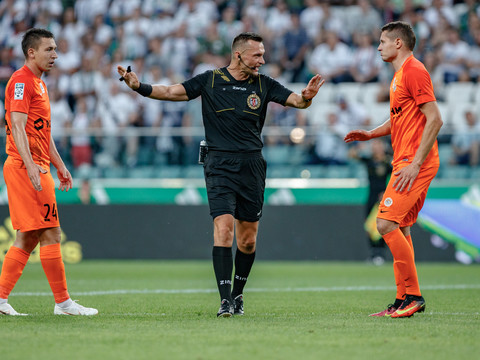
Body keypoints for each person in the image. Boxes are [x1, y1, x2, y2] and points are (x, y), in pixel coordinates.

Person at [118, 32, 324, 317]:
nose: (262, 61)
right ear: (238, 54)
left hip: (252, 165)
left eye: (263, 55)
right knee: (223, 228)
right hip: (219, 165)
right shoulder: (210, 80)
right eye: (257, 55)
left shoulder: (264, 84)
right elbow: (170, 92)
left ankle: (238, 294)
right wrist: (139, 86)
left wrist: (307, 98)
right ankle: (225, 299)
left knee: (248, 239)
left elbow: (298, 102)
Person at [344, 21, 443, 318]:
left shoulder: (414, 70)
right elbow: (399, 120)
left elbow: (435, 119)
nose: (378, 47)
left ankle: (414, 296)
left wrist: (415, 164)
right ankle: (402, 299)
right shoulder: (399, 76)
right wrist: (370, 135)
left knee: (384, 224)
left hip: (414, 162)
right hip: (405, 160)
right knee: (400, 227)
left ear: (398, 43)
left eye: (383, 42)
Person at [0, 28, 97, 316]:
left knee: (29, 237)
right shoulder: (21, 81)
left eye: (55, 49)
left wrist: (60, 164)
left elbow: (43, 133)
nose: (55, 54)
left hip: (38, 166)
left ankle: (1, 298)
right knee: (52, 233)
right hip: (25, 167)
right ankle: (64, 303)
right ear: (31, 52)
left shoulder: (40, 84)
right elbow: (16, 125)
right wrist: (31, 166)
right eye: (49, 49)